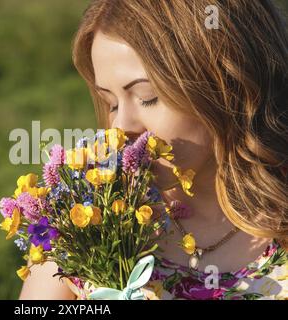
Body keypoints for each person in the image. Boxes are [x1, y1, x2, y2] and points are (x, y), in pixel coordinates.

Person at [19, 0, 287, 300]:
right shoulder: (87, 224)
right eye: (111, 104)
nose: (120, 128)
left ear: (227, 86)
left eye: (147, 97)